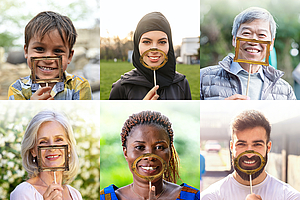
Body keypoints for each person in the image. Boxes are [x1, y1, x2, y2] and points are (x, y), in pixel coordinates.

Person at [200, 110, 300, 200]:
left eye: (257, 144)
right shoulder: (210, 196)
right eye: (241, 144)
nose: (249, 153)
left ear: (268, 147)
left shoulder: (290, 196)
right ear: (231, 147)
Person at [200, 7, 296, 100]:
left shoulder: (286, 91)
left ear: (271, 44)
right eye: (246, 33)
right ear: (234, 39)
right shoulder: (203, 77)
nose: (253, 41)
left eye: (261, 35)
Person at [100, 111, 200, 199]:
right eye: (139, 147)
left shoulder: (194, 197)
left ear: (169, 152)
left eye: (159, 147)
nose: (150, 156)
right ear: (125, 153)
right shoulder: (104, 197)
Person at [8, 11, 92, 100]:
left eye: (58, 51)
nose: (48, 60)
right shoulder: (17, 89)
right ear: (26, 51)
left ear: (69, 57)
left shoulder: (80, 85)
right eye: (39, 49)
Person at [109, 12, 192, 100]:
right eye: (146, 42)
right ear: (137, 45)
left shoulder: (182, 84)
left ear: (169, 45)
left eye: (162, 42)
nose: (154, 49)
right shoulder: (122, 87)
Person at [10, 110, 82, 200]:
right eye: (43, 142)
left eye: (58, 139)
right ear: (33, 151)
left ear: (69, 146)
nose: (52, 148)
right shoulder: (23, 193)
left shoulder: (75, 195)